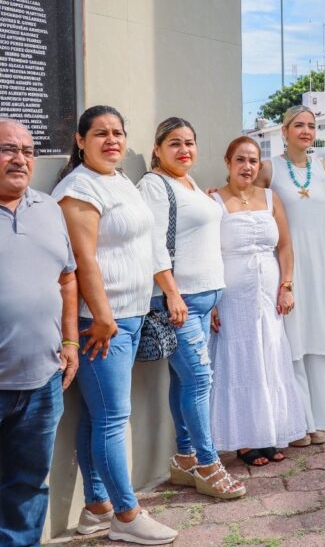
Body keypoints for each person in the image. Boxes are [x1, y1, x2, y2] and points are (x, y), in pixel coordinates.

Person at [52, 106, 177, 544]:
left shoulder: (119, 180)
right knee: (112, 420)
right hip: (102, 322)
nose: (112, 140)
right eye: (101, 133)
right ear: (80, 140)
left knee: (96, 416)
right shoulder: (78, 189)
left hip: (132, 314)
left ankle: (97, 506)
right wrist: (103, 316)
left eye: (118, 133)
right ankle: (127, 516)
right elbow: (83, 260)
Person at [138, 118, 245, 499]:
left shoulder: (190, 184)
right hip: (178, 303)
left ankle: (183, 459)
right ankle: (208, 464)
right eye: (174, 143)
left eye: (189, 142)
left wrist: (211, 298)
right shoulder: (154, 185)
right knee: (200, 380)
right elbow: (152, 245)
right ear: (157, 148)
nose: (184, 150)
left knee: (185, 380)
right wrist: (172, 293)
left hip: (202, 300)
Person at [0, 119, 78, 547]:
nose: (20, 159)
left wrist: (69, 342)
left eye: (28, 151)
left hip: (42, 383)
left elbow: (67, 279)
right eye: (8, 149)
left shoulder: (48, 209)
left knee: (28, 487)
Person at [209, 137, 307, 465]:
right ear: (228, 162)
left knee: (271, 354)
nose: (247, 166)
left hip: (269, 291)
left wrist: (287, 285)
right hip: (232, 295)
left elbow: (285, 246)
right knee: (242, 360)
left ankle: (271, 432)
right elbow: (206, 254)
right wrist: (211, 301)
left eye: (253, 161)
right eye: (240, 160)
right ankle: (244, 440)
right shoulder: (214, 201)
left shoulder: (271, 198)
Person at [254, 105, 325, 445]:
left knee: (319, 337)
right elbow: (247, 200)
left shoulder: (323, 169)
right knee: (292, 339)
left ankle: (320, 420)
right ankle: (298, 421)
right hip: (287, 266)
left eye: (311, 126)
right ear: (284, 130)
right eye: (299, 125)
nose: (306, 131)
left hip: (320, 262)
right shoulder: (269, 169)